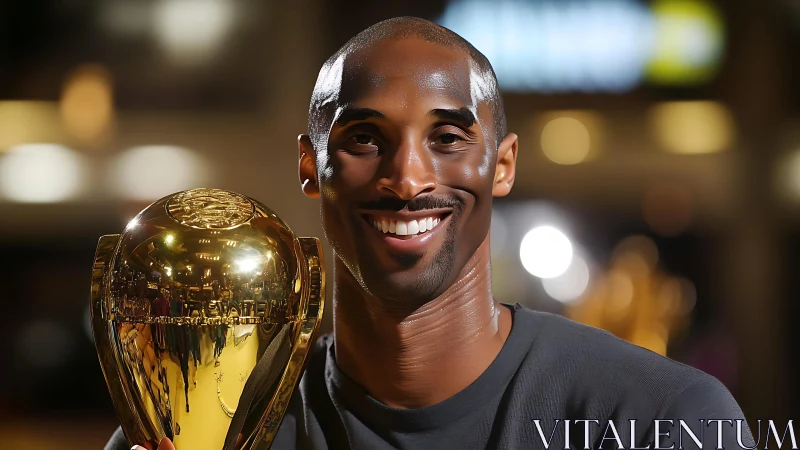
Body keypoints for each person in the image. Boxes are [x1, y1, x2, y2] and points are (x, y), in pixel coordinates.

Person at [108, 17, 752, 450]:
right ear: (311, 167)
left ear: (501, 165)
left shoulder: (658, 418)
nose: (408, 177)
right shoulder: (221, 427)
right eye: (364, 138)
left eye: (447, 138)